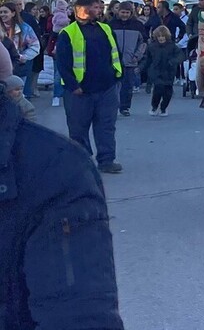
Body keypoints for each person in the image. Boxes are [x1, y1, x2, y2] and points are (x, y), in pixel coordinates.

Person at [0, 88, 125, 329]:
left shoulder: (55, 174)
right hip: (80, 88)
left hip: (103, 85)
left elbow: (79, 316)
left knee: (104, 123)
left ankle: (106, 156)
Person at [56, 0, 124, 174]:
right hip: (80, 91)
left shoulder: (106, 29)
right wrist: (73, 86)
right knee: (78, 129)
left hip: (106, 88)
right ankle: (82, 163)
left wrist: (117, 76)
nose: (99, 10)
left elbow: (116, 53)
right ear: (82, 10)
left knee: (106, 127)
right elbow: (63, 64)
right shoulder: (68, 33)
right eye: (95, 7)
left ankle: (107, 160)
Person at [109, 1, 146, 117]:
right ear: (118, 12)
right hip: (114, 61)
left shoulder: (137, 25)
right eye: (122, 12)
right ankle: (113, 106)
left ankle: (125, 107)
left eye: (127, 12)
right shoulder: (111, 25)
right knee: (113, 86)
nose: (124, 15)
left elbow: (143, 42)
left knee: (127, 86)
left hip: (130, 60)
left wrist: (137, 56)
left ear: (131, 13)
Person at [141, 25, 185, 117]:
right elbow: (147, 59)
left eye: (163, 36)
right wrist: (142, 68)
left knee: (168, 92)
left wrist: (173, 62)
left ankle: (163, 107)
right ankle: (154, 106)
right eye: (159, 36)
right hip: (156, 71)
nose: (161, 38)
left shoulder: (172, 46)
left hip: (169, 72)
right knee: (158, 89)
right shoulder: (152, 46)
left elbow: (180, 56)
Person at [0, 2, 40, 99]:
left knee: (17, 98)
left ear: (13, 13)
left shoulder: (25, 28)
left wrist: (23, 56)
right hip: (2, 69)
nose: (2, 15)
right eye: (0, 12)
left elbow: (35, 46)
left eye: (5, 12)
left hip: (18, 67)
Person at [48, 0, 71, 107]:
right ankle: (56, 95)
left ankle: (60, 93)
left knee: (60, 73)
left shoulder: (63, 13)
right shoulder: (58, 16)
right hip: (57, 47)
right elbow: (57, 22)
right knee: (58, 74)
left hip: (63, 46)